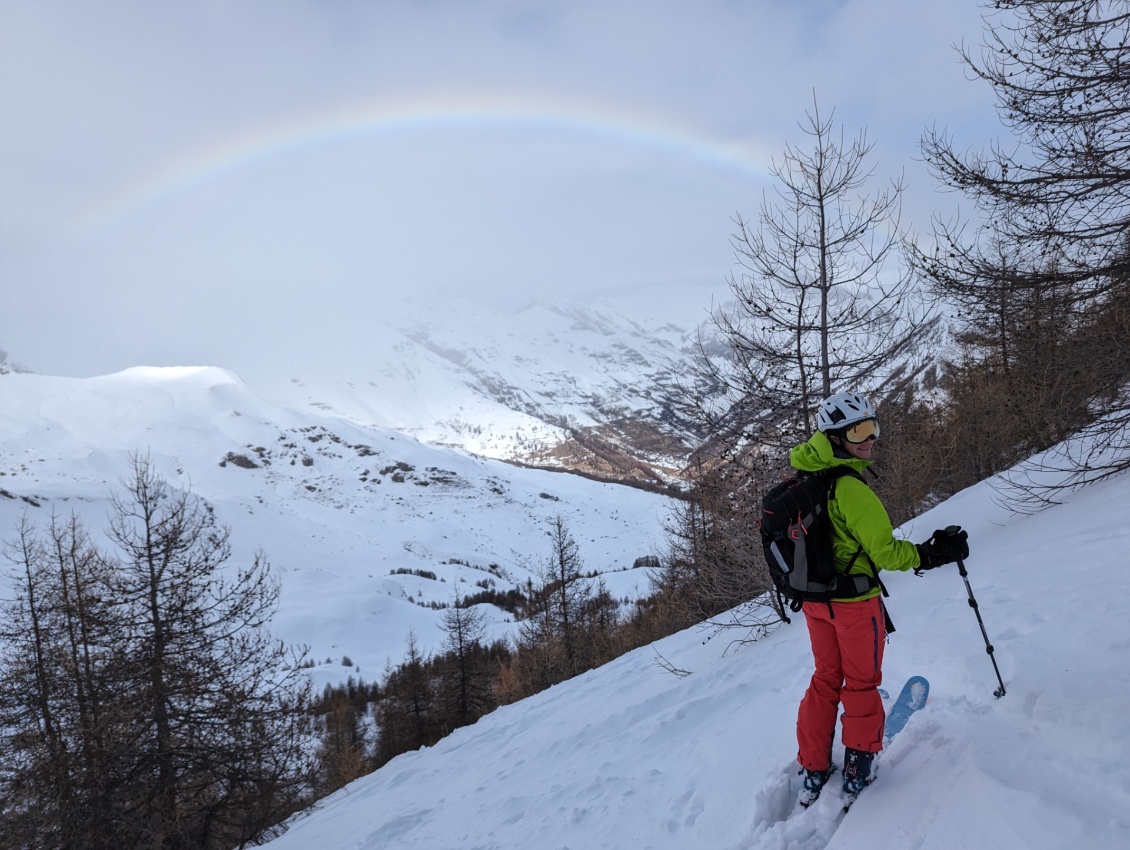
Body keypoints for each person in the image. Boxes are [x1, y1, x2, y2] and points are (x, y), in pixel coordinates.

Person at [791, 391, 969, 806]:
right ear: (834, 437)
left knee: (824, 679)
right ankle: (857, 769)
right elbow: (885, 553)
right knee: (862, 683)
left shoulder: (806, 476)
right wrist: (929, 553)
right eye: (858, 430)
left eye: (873, 427)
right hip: (854, 606)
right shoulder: (850, 488)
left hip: (816, 603)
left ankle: (814, 765)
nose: (870, 438)